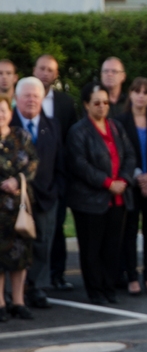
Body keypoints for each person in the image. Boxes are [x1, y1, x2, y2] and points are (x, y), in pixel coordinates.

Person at [66, 84, 135, 305]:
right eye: (97, 102)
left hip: (117, 199)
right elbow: (79, 164)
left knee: (112, 247)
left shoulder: (115, 127)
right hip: (89, 201)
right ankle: (95, 290)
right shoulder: (78, 131)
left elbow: (130, 155)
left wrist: (123, 180)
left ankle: (109, 287)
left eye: (106, 102)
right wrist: (107, 183)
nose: (102, 106)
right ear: (86, 105)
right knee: (91, 249)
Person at [10, 77, 64, 310]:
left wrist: (57, 190)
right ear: (16, 99)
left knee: (43, 242)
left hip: (46, 195)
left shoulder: (53, 125)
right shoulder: (6, 123)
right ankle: (12, 292)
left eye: (36, 96)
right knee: (13, 246)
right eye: (27, 95)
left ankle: (36, 287)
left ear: (43, 99)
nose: (31, 100)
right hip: (13, 200)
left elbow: (60, 162)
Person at [32, 54, 77, 292]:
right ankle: (30, 283)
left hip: (55, 177)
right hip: (28, 179)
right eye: (42, 68)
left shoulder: (65, 103)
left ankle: (57, 275)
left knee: (56, 229)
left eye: (50, 69)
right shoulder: (23, 98)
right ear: (34, 70)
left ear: (56, 74)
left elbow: (70, 141)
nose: (45, 73)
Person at [115, 77, 147, 296]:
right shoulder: (121, 120)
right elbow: (121, 152)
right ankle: (132, 277)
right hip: (130, 184)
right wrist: (138, 177)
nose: (141, 96)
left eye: (146, 92)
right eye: (137, 91)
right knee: (130, 232)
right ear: (130, 94)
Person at [0, 96, 38, 321]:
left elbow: (33, 163)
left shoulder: (21, 136)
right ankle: (1, 304)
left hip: (19, 209)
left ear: (10, 112)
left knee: (20, 257)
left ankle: (18, 301)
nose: (1, 114)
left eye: (3, 110)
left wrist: (17, 180)